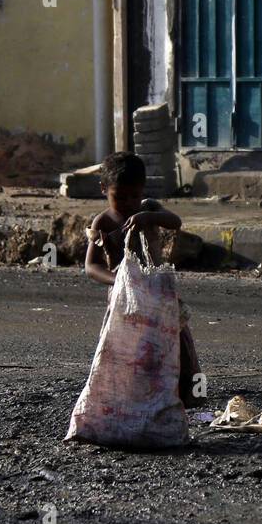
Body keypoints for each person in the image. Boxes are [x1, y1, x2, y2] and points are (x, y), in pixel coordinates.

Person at [84, 151, 204, 407]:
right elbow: (91, 266)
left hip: (157, 291)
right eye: (120, 197)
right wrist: (115, 280)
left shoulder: (149, 208)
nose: (129, 202)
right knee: (127, 347)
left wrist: (148, 217)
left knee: (175, 339)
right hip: (124, 298)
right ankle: (128, 396)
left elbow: (175, 222)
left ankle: (187, 394)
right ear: (104, 189)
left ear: (142, 190)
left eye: (134, 195)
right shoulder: (103, 221)